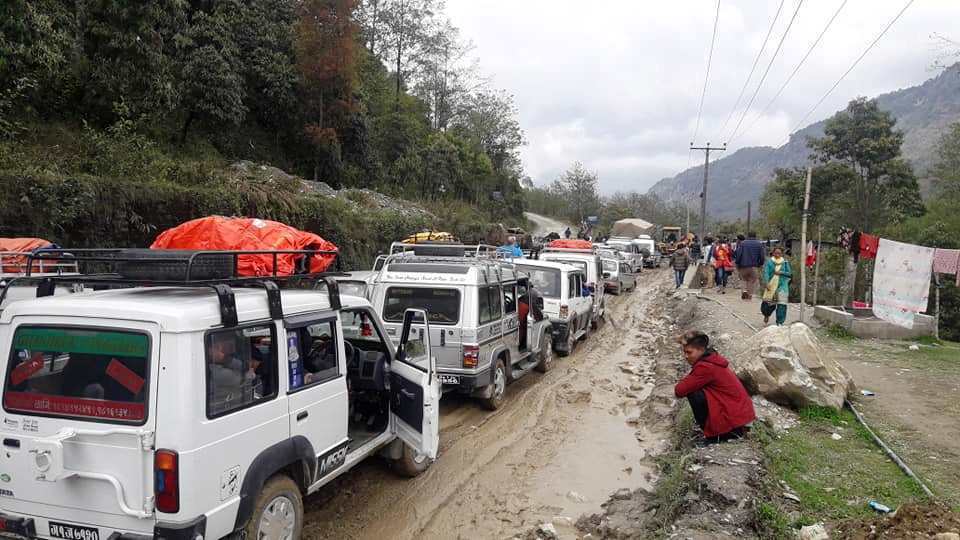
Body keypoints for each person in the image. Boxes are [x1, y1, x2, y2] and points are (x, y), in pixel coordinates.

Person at [674, 330, 756, 443]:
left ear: (701, 350)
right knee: (696, 388)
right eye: (684, 352)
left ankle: (716, 436)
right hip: (742, 417)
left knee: (694, 393)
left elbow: (679, 390)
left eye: (689, 352)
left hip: (735, 423)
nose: (686, 356)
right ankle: (716, 431)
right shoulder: (712, 359)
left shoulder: (706, 367)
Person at [761, 247, 792, 326]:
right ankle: (766, 314)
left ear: (782, 254)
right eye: (776, 253)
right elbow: (766, 272)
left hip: (782, 286)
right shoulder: (769, 262)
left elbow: (789, 273)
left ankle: (780, 322)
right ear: (773, 253)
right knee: (768, 304)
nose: (777, 255)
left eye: (779, 253)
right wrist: (767, 282)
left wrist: (781, 272)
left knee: (782, 304)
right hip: (771, 285)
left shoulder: (785, 262)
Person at [734, 231, 765, 300]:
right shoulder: (759, 244)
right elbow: (762, 256)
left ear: (748, 236)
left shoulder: (743, 243)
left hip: (743, 265)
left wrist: (737, 263)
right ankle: (749, 295)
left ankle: (744, 291)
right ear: (755, 236)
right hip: (754, 266)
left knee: (743, 279)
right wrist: (760, 264)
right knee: (751, 281)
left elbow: (738, 254)